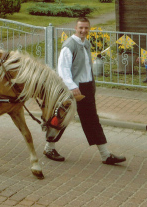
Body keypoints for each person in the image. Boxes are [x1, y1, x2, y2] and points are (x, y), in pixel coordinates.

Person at [44, 17, 126, 165]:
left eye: (86, 28)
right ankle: (49, 148)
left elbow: (86, 68)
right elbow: (63, 70)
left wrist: (91, 86)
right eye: (80, 28)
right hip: (73, 89)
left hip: (86, 88)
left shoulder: (86, 44)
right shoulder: (69, 46)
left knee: (92, 121)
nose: (83, 31)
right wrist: (72, 86)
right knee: (62, 118)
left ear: (89, 29)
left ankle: (105, 155)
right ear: (75, 28)